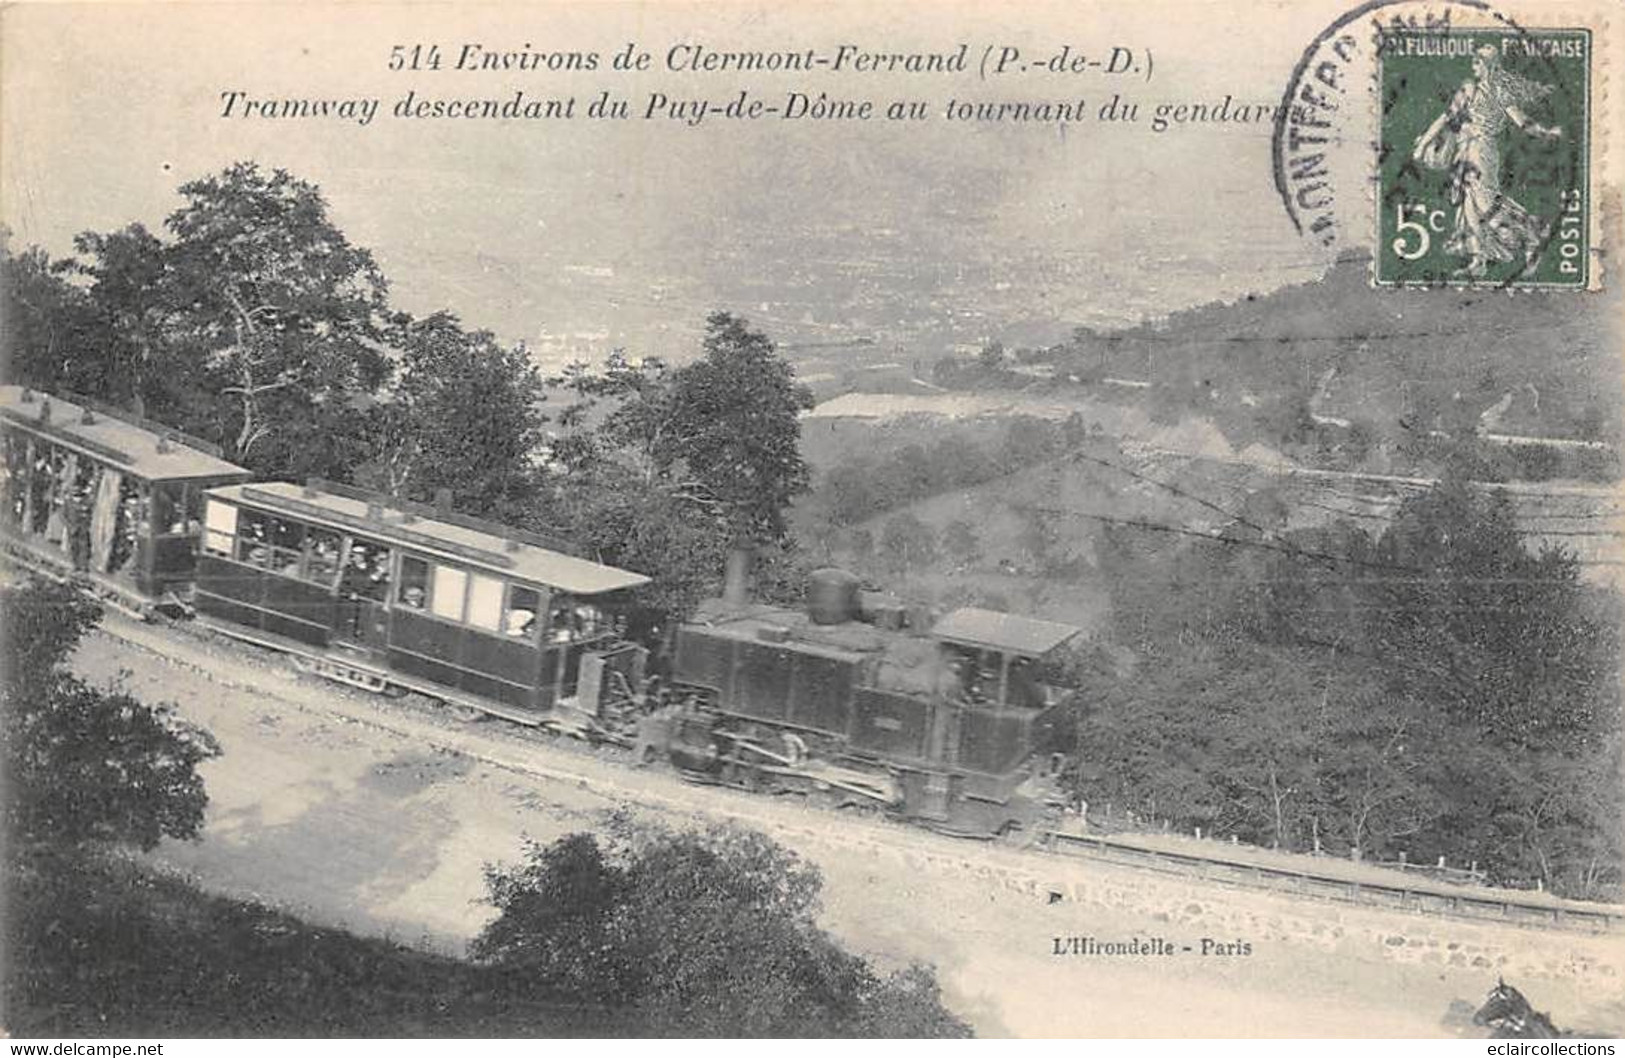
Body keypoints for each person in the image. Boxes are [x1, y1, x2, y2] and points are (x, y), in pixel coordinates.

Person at [1412, 45, 1563, 277]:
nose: (1474, 67)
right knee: (1468, 205)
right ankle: (1478, 261)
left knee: (1485, 202)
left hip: (1483, 150)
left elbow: (1522, 121)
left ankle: (1533, 232)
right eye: (1473, 62)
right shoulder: (1468, 89)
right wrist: (1423, 145)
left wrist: (1546, 132)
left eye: (1478, 62)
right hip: (1464, 150)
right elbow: (1445, 118)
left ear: (1490, 64)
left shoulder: (1501, 92)